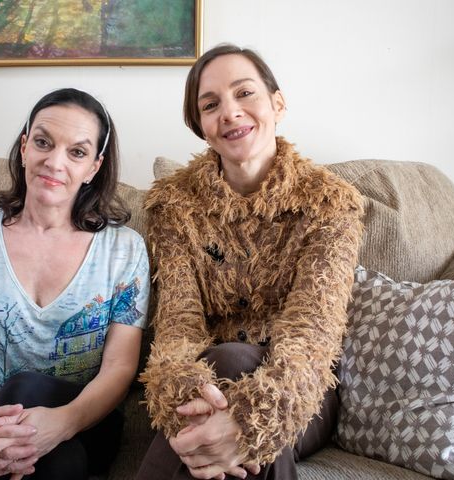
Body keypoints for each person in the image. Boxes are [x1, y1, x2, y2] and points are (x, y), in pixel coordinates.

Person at [137, 44, 364, 480]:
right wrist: (189, 394)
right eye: (211, 105)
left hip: (302, 392)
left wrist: (253, 416)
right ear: (202, 127)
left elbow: (312, 333)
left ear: (277, 104)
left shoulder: (330, 203)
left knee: (236, 370)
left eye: (244, 93)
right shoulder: (172, 205)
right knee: (226, 365)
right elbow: (178, 323)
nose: (229, 112)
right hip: (205, 379)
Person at [0, 88, 150, 480]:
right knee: (50, 458)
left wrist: (62, 423)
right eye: (43, 143)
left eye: (77, 152)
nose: (54, 162)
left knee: (27, 394)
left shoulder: (124, 250)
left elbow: (119, 366)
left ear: (94, 168)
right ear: (24, 147)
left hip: (87, 422)